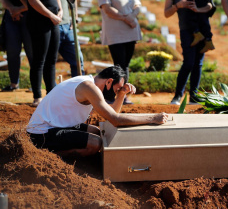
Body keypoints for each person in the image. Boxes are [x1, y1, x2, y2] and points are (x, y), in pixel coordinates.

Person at [26, 65, 168, 156]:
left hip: (55, 125)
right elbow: (115, 120)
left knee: (97, 131)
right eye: (116, 89)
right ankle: (46, 156)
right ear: (109, 81)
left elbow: (111, 116)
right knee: (95, 143)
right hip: (41, 133)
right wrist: (153, 118)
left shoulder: (90, 84)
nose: (115, 93)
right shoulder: (89, 87)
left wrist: (121, 95)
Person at [165, 0, 212, 105]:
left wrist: (198, 8)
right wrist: (178, 5)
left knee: (198, 63)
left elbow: (209, 4)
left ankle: (194, 95)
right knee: (188, 62)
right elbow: (166, 13)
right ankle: (178, 95)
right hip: (186, 29)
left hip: (202, 27)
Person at [19, 0, 63, 106]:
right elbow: (33, 1)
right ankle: (37, 96)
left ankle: (51, 93)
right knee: (39, 59)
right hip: (39, 22)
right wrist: (51, 15)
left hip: (54, 21)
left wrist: (60, 12)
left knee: (52, 59)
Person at [97, 0, 142, 105]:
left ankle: (123, 94)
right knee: (119, 65)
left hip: (130, 31)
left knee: (125, 65)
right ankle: (110, 94)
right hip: (115, 33)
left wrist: (131, 17)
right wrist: (125, 18)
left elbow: (137, 6)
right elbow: (107, 8)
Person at [0, 0, 33, 91]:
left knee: (32, 51)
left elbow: (36, 0)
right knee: (12, 51)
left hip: (30, 17)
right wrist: (11, 8)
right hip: (12, 17)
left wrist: (18, 10)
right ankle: (14, 84)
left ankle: (35, 85)